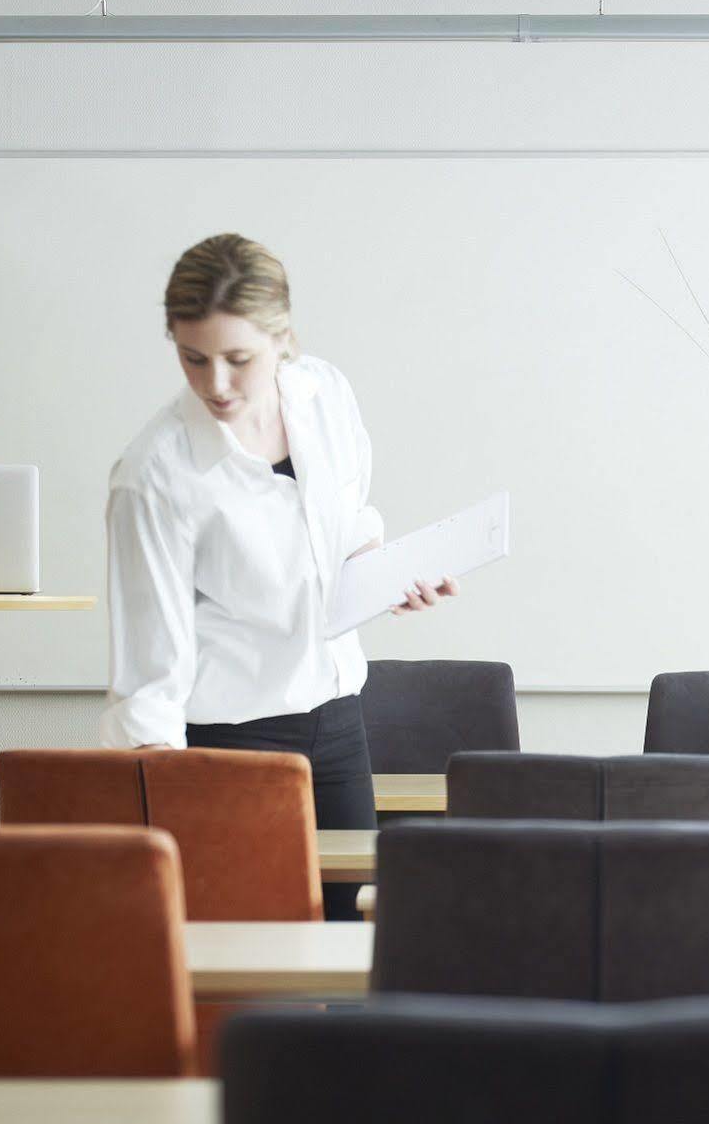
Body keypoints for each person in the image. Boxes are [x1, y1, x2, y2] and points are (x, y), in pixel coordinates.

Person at [103, 233, 455, 918]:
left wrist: (387, 576)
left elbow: (345, 525)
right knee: (257, 968)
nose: (216, 385)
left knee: (358, 944)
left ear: (283, 338)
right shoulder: (154, 475)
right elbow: (150, 676)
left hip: (337, 716)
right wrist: (168, 826)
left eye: (239, 359)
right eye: (192, 358)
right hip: (232, 740)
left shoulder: (325, 395)